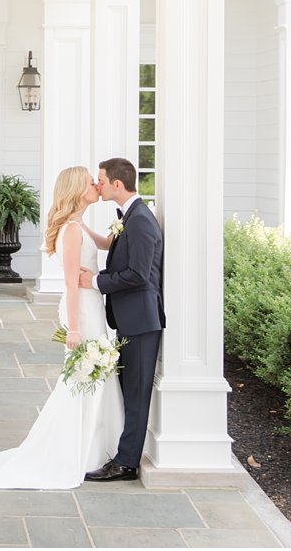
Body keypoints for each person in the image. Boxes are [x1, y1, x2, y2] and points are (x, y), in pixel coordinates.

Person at [0, 166, 123, 490]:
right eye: (90, 182)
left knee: (96, 376)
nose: (96, 185)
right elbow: (72, 285)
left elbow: (105, 244)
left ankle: (97, 446)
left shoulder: (80, 222)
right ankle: (82, 450)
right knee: (86, 375)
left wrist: (123, 223)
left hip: (92, 306)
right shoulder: (71, 230)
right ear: (76, 189)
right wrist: (73, 329)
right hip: (82, 310)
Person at [77, 157, 164, 483]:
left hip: (142, 320)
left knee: (137, 393)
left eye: (100, 180)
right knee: (129, 389)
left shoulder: (140, 220)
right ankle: (123, 454)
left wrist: (96, 282)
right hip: (131, 319)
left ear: (117, 184)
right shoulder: (130, 217)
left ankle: (127, 464)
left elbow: (139, 276)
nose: (98, 185)